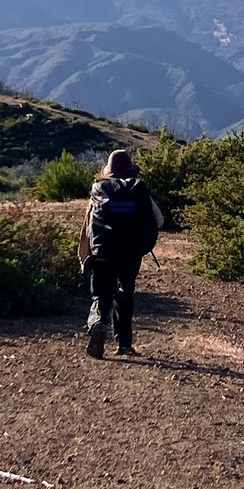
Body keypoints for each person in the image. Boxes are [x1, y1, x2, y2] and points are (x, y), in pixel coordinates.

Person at [80, 147, 165, 358]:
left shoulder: (98, 190)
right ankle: (124, 344)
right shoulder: (138, 189)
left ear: (108, 171)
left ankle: (98, 323)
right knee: (125, 294)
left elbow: (88, 226)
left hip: (102, 252)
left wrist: (85, 255)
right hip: (130, 253)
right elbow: (159, 220)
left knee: (101, 295)